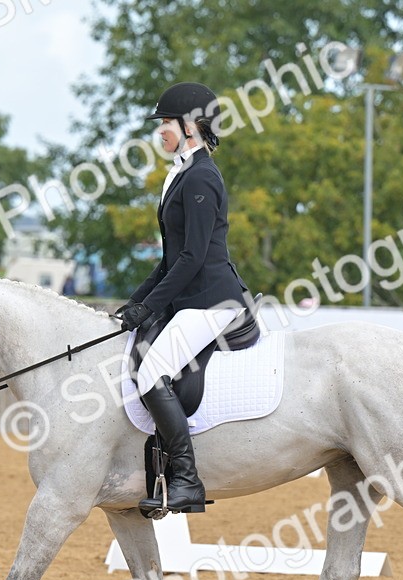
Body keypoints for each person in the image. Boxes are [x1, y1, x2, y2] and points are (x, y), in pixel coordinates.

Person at [116, 81, 255, 515]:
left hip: (213, 301)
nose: (160, 132)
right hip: (190, 298)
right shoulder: (179, 173)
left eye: (166, 124)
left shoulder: (201, 177)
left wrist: (152, 305)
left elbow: (194, 257)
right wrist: (135, 304)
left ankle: (187, 480)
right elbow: (169, 258)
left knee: (152, 372)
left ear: (190, 126)